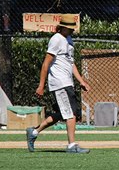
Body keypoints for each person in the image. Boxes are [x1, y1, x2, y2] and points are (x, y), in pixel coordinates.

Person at [25, 17, 91, 154]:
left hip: (68, 82)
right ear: (61, 27)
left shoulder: (69, 40)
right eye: (69, 27)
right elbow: (46, 63)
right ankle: (72, 146)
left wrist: (81, 81)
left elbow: (71, 64)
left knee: (62, 114)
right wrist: (41, 85)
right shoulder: (56, 39)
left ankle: (34, 132)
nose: (72, 30)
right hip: (60, 82)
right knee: (71, 114)